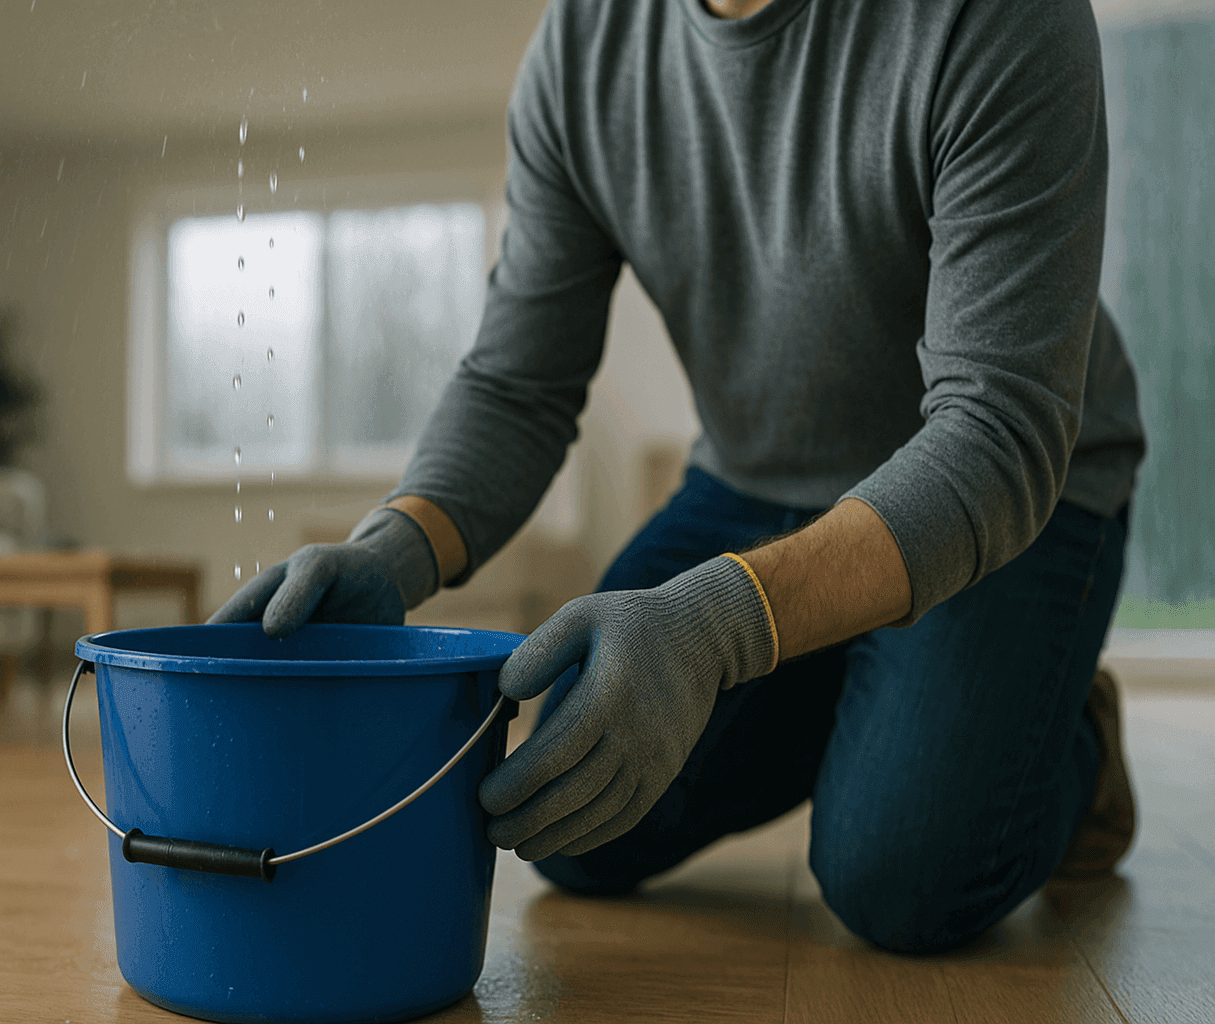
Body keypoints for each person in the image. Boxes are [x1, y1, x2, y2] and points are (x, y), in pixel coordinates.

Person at [212, 0, 1146, 955]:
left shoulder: (993, 19)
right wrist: (394, 549)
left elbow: (997, 433)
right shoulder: (581, 52)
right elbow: (517, 385)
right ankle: (869, 682)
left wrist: (722, 631)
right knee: (572, 823)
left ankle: (1073, 749)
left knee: (905, 875)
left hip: (1008, 481)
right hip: (753, 481)